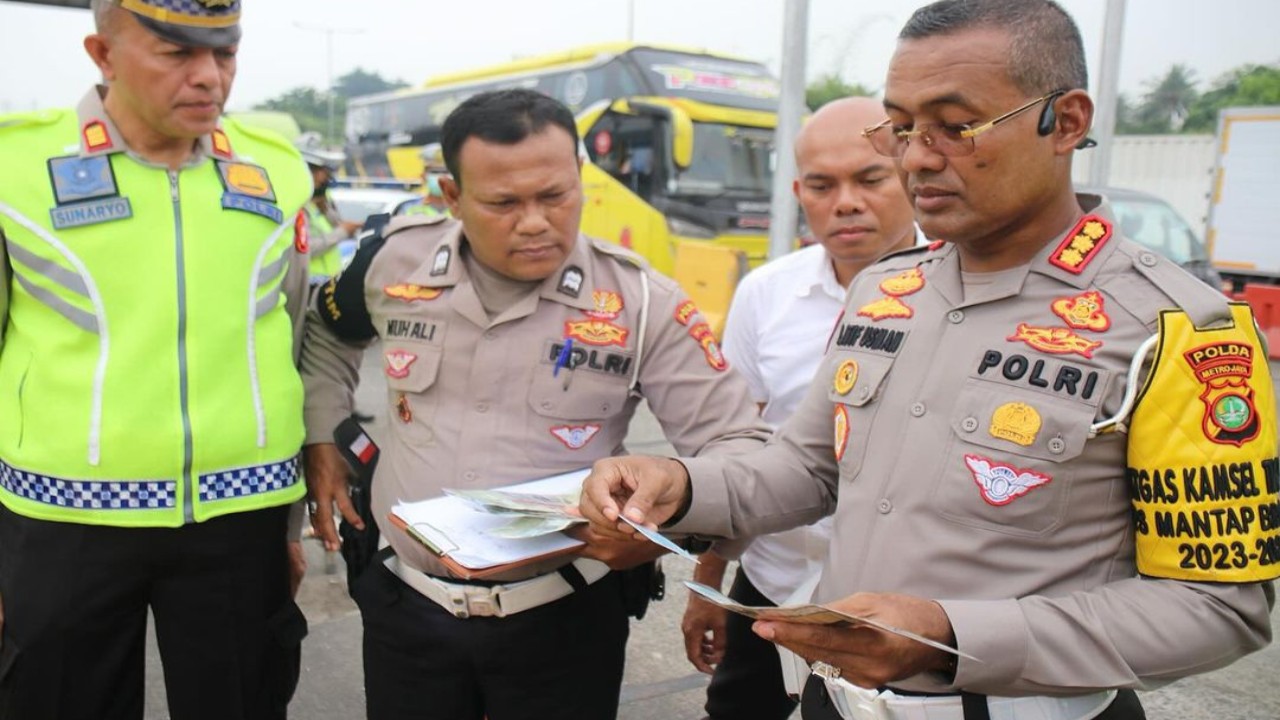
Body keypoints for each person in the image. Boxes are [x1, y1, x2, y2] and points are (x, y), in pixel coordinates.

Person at [580, 2, 1279, 719]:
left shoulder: (1179, 327)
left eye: (956, 126)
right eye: (903, 126)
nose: (915, 156)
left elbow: (1219, 605)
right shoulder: (887, 288)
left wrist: (952, 639)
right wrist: (678, 483)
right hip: (835, 701)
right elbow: (807, 469)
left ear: (1066, 123)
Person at [300, 88, 770, 720]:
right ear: (452, 198)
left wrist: (665, 531)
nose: (534, 221)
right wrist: (322, 439)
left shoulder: (640, 300)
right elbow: (328, 333)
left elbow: (739, 452)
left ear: (580, 178)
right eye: (503, 202)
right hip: (405, 611)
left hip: (564, 621)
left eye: (555, 195)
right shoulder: (393, 262)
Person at [0, 1, 314, 719]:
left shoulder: (278, 168)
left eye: (225, 54)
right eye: (177, 54)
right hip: (62, 520)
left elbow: (291, 339)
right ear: (102, 55)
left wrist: (286, 525)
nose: (210, 78)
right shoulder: (13, 169)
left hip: (243, 514)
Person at [683, 96, 920, 720]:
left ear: (911, 171)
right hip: (774, 580)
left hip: (896, 602)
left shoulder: (962, 292)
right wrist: (708, 584)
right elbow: (739, 446)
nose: (845, 202)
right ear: (798, 191)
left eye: (870, 179)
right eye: (822, 185)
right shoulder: (766, 293)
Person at [298, 132, 361, 279]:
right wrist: (343, 232)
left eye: (325, 172)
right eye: (319, 171)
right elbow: (306, 249)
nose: (324, 178)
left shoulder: (320, 202)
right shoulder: (295, 208)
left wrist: (327, 212)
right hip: (309, 284)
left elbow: (336, 226)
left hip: (327, 283)